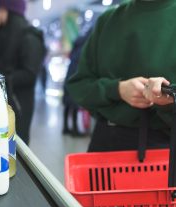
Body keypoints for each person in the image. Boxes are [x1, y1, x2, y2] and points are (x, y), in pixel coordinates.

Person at [66, 0, 176, 154]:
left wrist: (167, 96)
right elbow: (78, 86)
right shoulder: (108, 20)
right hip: (104, 142)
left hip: (161, 148)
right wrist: (117, 89)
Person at [0, 0, 46, 144]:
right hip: (3, 102)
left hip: (19, 105)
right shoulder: (5, 34)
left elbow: (30, 75)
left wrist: (2, 78)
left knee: (16, 147)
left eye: (1, 9)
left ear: (8, 10)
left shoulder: (29, 37)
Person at [62, 29, 92, 137]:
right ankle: (74, 130)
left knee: (67, 104)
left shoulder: (77, 45)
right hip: (74, 78)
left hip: (69, 77)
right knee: (73, 104)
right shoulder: (84, 47)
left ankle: (65, 128)